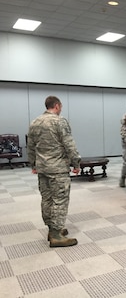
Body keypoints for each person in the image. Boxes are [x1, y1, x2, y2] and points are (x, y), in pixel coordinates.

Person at [27, 96, 81, 248]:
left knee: (47, 199)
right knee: (60, 200)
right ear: (57, 106)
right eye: (61, 106)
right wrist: (76, 162)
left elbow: (30, 146)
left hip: (42, 168)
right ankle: (56, 235)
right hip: (57, 169)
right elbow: (69, 144)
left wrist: (33, 164)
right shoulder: (60, 121)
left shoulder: (35, 122)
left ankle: (52, 229)